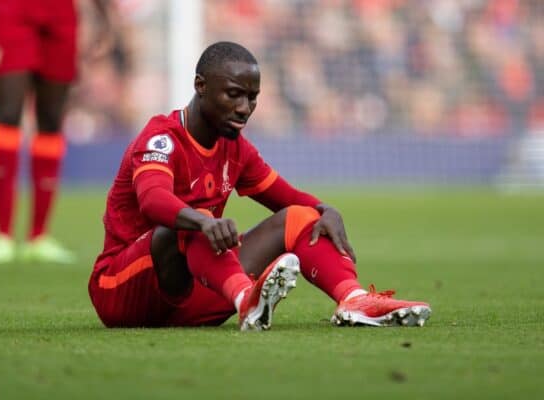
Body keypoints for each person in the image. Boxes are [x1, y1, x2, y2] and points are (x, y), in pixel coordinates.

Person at [88, 41, 431, 330]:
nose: (244, 109)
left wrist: (326, 209)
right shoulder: (162, 138)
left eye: (252, 97)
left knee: (300, 216)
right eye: (234, 95)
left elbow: (289, 198)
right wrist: (204, 221)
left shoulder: (235, 147)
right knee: (187, 222)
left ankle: (354, 300)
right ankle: (245, 299)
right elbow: (153, 200)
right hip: (122, 290)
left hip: (194, 294)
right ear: (201, 86)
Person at [0, 0, 114, 264]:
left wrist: (104, 13)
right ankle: (2, 235)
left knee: (50, 120)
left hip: (60, 13)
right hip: (11, 10)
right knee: (8, 114)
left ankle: (39, 236)